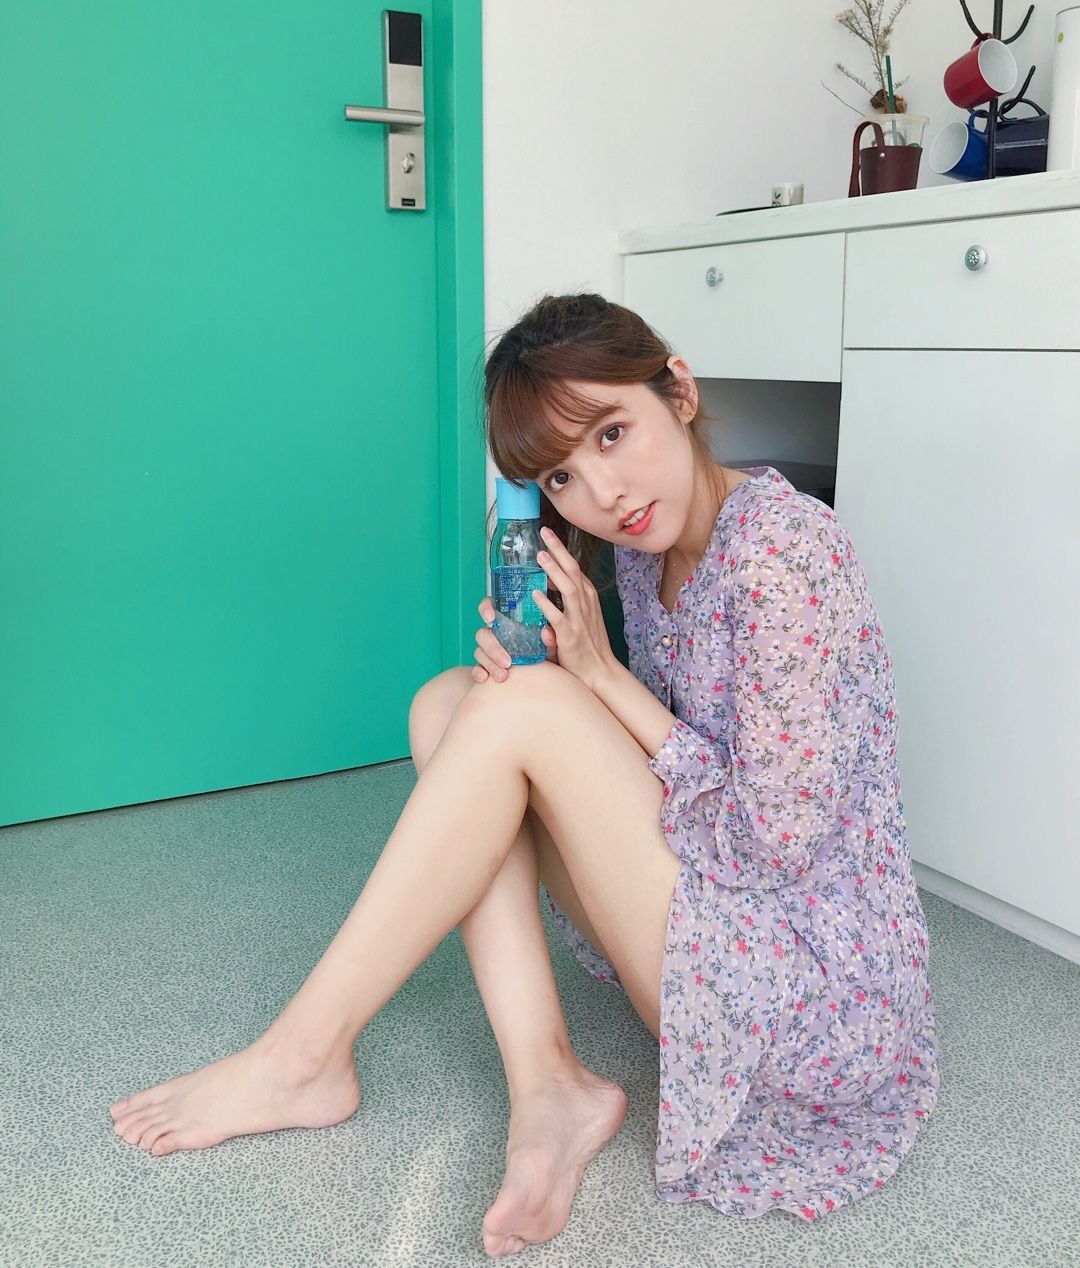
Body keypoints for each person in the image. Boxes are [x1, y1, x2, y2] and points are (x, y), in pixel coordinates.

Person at [108, 292, 940, 1254]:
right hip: (730, 925)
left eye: (614, 433)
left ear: (678, 390)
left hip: (816, 1001)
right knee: (451, 702)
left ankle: (304, 1056)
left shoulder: (783, 555)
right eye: (561, 477)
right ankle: (549, 1086)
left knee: (520, 706)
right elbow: (676, 767)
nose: (604, 494)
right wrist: (565, 672)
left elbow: (778, 844)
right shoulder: (653, 548)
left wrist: (602, 681)